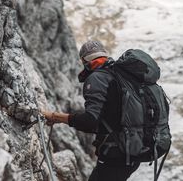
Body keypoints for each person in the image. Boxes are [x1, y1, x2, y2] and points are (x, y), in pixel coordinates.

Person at [42, 40, 140, 181]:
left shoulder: (97, 78)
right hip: (134, 150)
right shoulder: (120, 75)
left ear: (83, 60)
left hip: (116, 154)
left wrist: (55, 117)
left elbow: (90, 122)